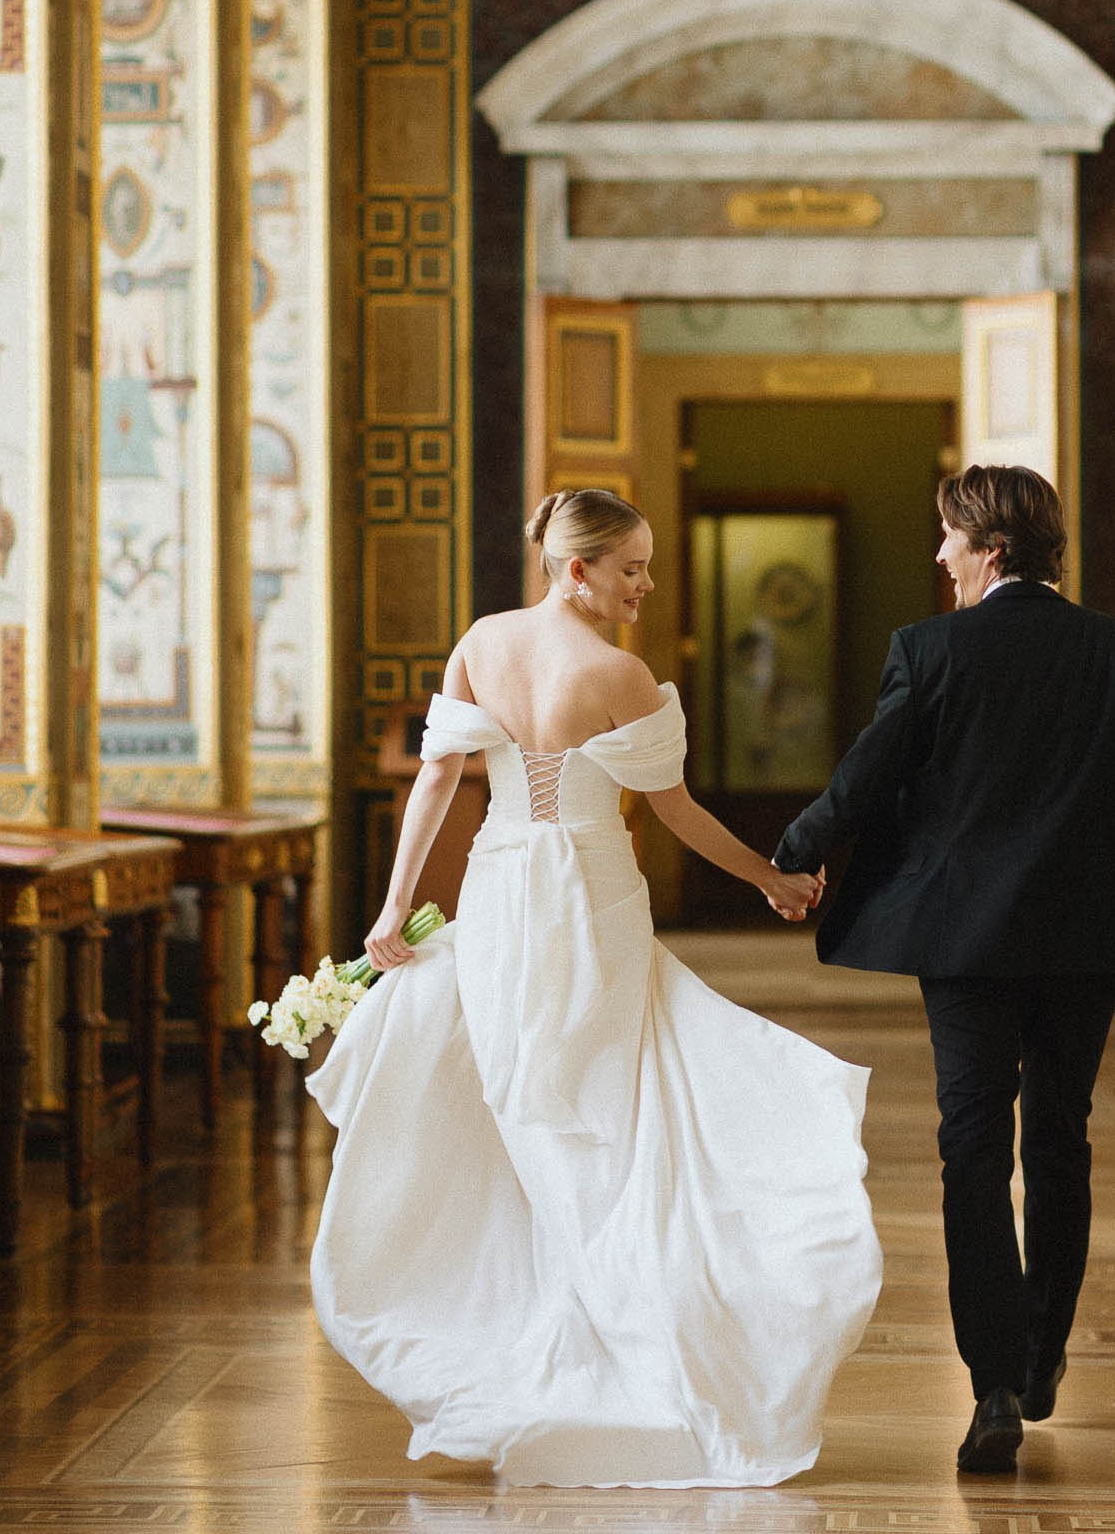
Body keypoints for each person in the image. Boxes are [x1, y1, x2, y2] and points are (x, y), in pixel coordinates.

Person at [307, 488, 882, 1489]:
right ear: (576, 569)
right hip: (589, 897)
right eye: (631, 569)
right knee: (611, 1113)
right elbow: (674, 812)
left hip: (499, 891)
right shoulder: (622, 675)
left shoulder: (482, 644)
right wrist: (770, 878)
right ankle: (635, 1339)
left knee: (535, 1107)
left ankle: (574, 1329)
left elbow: (437, 784)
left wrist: (393, 908)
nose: (646, 586)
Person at [774, 463, 1115, 1476]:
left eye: (948, 539)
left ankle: (994, 1386)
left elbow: (865, 777)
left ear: (990, 547)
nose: (939, 557)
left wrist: (791, 856)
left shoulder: (927, 651)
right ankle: (1043, 1345)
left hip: (966, 945)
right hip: (1082, 938)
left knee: (970, 1150)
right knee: (1060, 1138)